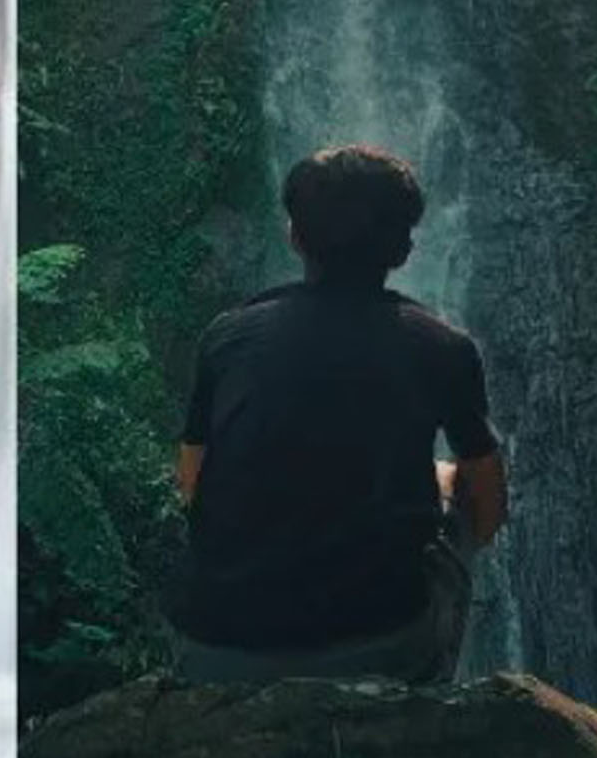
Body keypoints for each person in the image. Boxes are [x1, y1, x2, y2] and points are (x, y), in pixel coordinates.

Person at [167, 143, 509, 684]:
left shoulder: (228, 336)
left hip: (217, 644)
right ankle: (428, 699)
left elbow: (189, 485)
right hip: (377, 642)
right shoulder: (443, 346)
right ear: (403, 249)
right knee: (463, 475)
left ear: (295, 236)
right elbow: (488, 507)